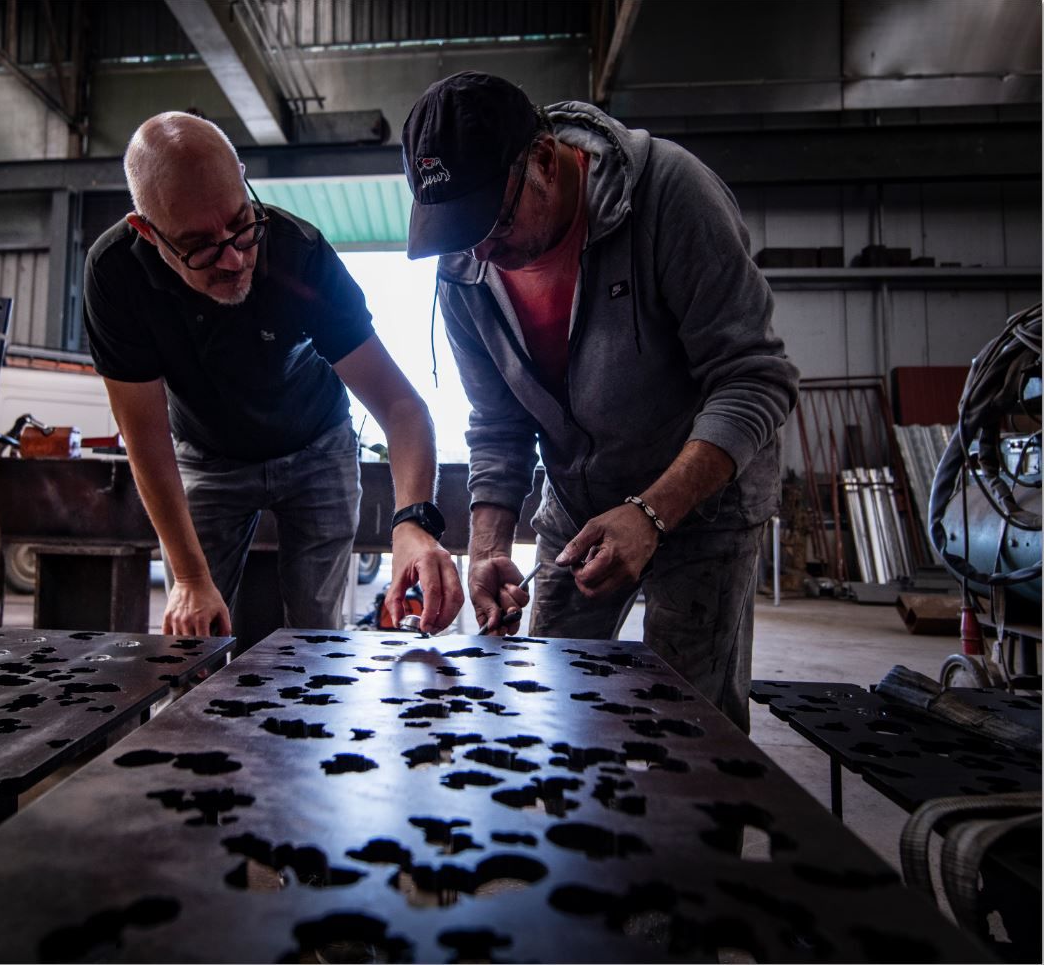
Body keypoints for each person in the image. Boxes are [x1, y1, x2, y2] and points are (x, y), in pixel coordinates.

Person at [402, 72, 798, 730]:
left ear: (542, 158)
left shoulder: (669, 195)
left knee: (691, 729)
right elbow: (498, 420)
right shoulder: (467, 263)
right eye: (458, 231)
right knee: (553, 706)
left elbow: (756, 378)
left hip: (705, 507)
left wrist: (652, 512)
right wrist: (489, 542)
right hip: (580, 502)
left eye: (492, 222)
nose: (479, 251)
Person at [84, 111, 464, 639]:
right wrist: (191, 576)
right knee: (192, 637)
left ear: (242, 177)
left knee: (316, 637)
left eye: (241, 224)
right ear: (147, 233)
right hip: (207, 454)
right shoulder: (115, 276)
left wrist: (413, 523)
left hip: (317, 447)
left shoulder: (299, 253)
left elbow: (401, 407)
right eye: (199, 246)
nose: (235, 258)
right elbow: (144, 436)